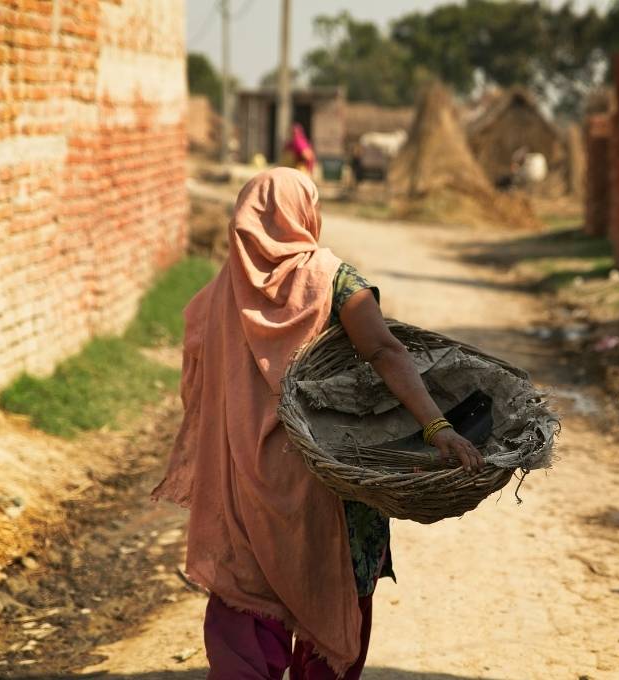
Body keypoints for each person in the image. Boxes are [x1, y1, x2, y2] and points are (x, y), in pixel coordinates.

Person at [152, 167, 483, 679]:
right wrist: (438, 427)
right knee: (332, 593)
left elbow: (199, 392)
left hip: (242, 482)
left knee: (246, 604)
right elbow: (384, 351)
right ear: (305, 213)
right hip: (326, 478)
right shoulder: (332, 280)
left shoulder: (217, 297)